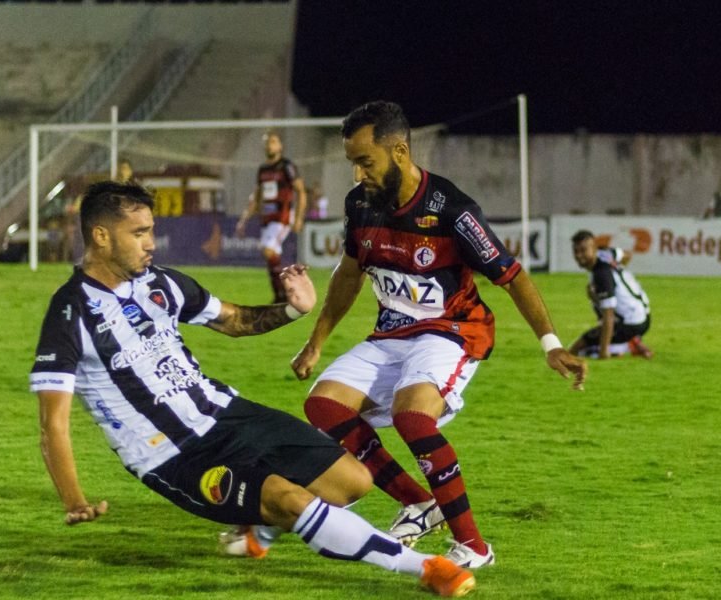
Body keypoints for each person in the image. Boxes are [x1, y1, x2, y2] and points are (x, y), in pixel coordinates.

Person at [29, 180, 475, 598]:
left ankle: (258, 532)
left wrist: (292, 310)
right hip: (174, 454)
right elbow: (54, 422)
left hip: (228, 413)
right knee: (290, 499)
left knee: (352, 482)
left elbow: (234, 320)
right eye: (139, 233)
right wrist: (75, 500)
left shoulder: (160, 283)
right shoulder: (71, 313)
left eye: (151, 231)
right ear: (101, 237)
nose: (150, 242)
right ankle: (425, 568)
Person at [261, 101, 585, 569]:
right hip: (390, 334)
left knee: (413, 417)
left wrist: (551, 345)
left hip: (451, 332)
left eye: (365, 162)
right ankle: (417, 502)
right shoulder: (361, 205)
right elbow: (349, 274)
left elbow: (512, 276)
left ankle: (474, 547)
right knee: (323, 405)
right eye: (352, 162)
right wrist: (316, 341)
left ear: (399, 151)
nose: (357, 175)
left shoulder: (451, 209)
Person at [236, 131, 308, 302]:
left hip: (283, 216)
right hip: (268, 219)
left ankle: (284, 293)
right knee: (270, 255)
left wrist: (298, 218)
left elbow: (301, 191)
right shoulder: (263, 169)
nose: (270, 145)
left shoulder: (286, 166)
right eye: (268, 142)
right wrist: (244, 220)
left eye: (274, 141)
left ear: (280, 146)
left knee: (269, 251)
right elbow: (258, 196)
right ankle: (281, 295)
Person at [568, 230, 653, 359]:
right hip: (643, 314)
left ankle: (627, 346)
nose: (579, 255)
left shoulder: (602, 274)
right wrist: (620, 272)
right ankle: (630, 342)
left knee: (575, 350)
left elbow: (609, 316)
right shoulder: (606, 253)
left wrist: (604, 351)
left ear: (594, 248)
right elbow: (627, 255)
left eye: (583, 250)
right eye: (576, 251)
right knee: (594, 295)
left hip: (631, 323)